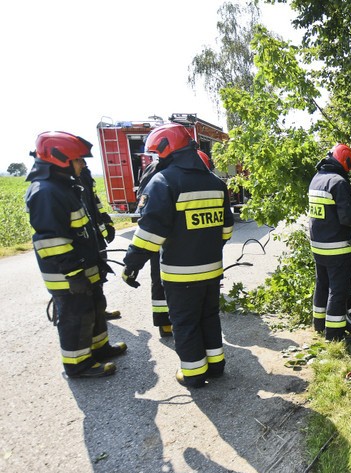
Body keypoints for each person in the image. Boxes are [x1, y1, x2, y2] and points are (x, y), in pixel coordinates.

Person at [121, 124, 234, 388]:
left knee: (185, 322)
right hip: (212, 268)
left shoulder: (164, 182)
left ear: (167, 150)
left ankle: (194, 374)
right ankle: (216, 366)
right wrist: (207, 247)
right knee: (209, 317)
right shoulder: (216, 183)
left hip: (180, 272)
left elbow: (150, 232)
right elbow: (226, 228)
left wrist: (131, 263)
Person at [24, 131, 127, 378]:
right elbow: (52, 241)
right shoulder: (46, 192)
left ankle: (99, 349)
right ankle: (78, 364)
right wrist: (73, 273)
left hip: (83, 268)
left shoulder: (63, 187)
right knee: (76, 317)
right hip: (68, 274)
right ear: (61, 159)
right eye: (79, 159)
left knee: (94, 307)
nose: (82, 164)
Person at [308, 143, 351, 341]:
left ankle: (319, 325)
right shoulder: (339, 182)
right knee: (338, 290)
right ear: (344, 161)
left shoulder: (317, 179)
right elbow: (347, 218)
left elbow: (334, 204)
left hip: (318, 246)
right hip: (336, 248)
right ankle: (334, 336)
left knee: (322, 285)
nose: (348, 172)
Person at [77, 164, 121, 321]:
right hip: (83, 238)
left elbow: (96, 204)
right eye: (79, 159)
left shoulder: (86, 176)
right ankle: (90, 312)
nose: (83, 163)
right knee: (86, 276)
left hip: (95, 236)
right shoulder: (66, 182)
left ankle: (99, 309)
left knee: (99, 272)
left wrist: (107, 222)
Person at [135, 158, 172, 337]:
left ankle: (169, 320)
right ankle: (164, 321)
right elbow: (144, 200)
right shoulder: (156, 170)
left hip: (171, 234)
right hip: (160, 234)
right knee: (159, 276)